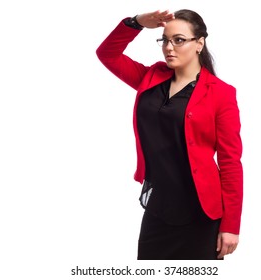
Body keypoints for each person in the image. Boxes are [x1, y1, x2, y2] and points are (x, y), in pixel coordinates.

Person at [96, 9, 243, 260]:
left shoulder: (221, 94)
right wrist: (136, 23)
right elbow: (107, 54)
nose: (168, 47)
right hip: (158, 209)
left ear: (199, 43)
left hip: (201, 214)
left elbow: (230, 163)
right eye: (164, 39)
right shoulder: (150, 77)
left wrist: (231, 226)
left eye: (178, 39)